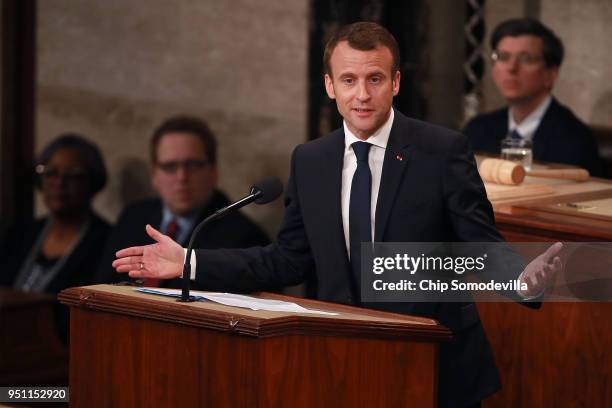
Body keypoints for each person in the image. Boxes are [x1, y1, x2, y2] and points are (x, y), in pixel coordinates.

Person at [113, 23, 561, 407]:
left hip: (435, 370)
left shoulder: (442, 151)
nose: (361, 95)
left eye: (375, 79)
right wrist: (190, 262)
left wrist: (519, 279)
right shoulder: (310, 160)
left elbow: (477, 242)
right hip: (342, 365)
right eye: (348, 80)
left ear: (396, 82)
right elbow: (288, 260)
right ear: (329, 86)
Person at [95, 115, 270, 288]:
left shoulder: (246, 238)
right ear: (154, 175)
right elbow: (101, 285)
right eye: (170, 167)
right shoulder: (133, 217)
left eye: (192, 165)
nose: (181, 177)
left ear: (214, 171)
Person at [0, 134, 111, 344]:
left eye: (73, 176)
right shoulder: (21, 234)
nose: (59, 183)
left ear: (93, 181)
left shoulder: (106, 242)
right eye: (50, 173)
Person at [464, 18, 605, 177]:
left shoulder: (574, 139)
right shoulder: (478, 129)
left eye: (525, 59)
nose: (511, 68)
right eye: (503, 57)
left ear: (551, 74)